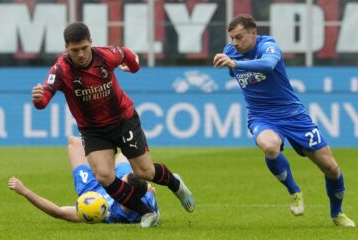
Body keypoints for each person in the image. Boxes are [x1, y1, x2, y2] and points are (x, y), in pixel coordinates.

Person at [31, 22, 194, 228]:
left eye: (84, 48)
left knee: (145, 172)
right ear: (66, 48)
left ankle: (176, 184)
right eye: (74, 50)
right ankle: (147, 214)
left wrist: (133, 67)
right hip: (93, 130)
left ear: (90, 42)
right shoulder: (61, 69)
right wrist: (38, 99)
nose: (80, 54)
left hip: (123, 120)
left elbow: (129, 56)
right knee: (104, 176)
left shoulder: (106, 55)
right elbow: (44, 98)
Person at [213, 14, 355, 227]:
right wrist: (232, 61)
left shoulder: (268, 45)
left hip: (293, 116)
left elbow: (269, 65)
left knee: (331, 168)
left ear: (254, 33)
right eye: (232, 37)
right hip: (261, 116)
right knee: (270, 147)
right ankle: (295, 191)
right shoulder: (230, 52)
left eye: (239, 37)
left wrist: (235, 63)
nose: (234, 42)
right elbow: (240, 76)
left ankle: (337, 214)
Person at [8, 136, 158, 224]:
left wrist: (24, 191)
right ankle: (107, 152)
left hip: (91, 188)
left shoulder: (104, 213)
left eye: (122, 181)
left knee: (74, 141)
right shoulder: (146, 198)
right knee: (124, 155)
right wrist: (150, 191)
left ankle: (104, 154)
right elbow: (151, 198)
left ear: (126, 192)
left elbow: (58, 212)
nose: (120, 179)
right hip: (117, 186)